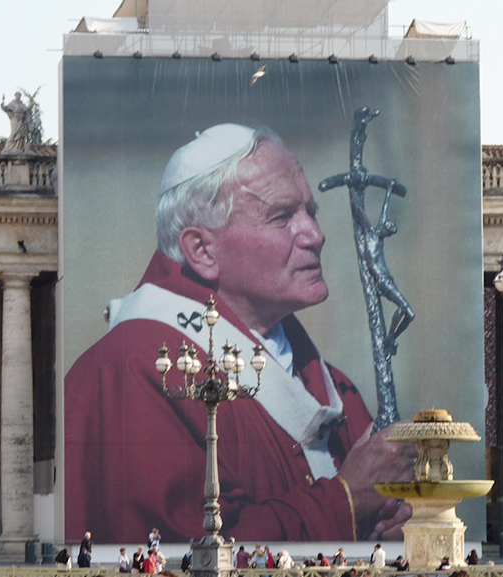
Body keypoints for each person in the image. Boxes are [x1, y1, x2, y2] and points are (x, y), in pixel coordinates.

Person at [65, 124, 417, 544]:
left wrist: (395, 523)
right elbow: (186, 553)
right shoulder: (130, 372)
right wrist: (345, 501)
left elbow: (381, 511)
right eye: (282, 217)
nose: (316, 235)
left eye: (311, 211)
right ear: (202, 250)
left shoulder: (331, 384)